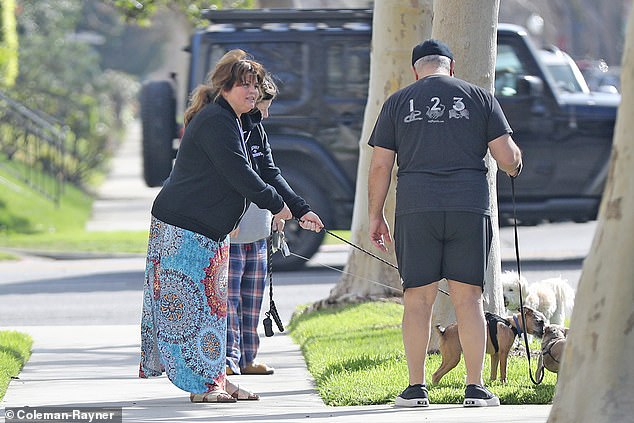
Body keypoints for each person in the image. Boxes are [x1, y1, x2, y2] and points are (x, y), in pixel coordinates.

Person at [139, 49, 323, 403]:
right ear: (225, 87)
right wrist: (276, 205)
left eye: (255, 86)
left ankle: (217, 379)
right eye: (244, 85)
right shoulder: (214, 122)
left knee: (214, 307)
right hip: (183, 227)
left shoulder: (242, 122)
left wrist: (300, 209)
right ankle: (202, 386)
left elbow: (267, 171)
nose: (252, 92)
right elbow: (239, 173)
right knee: (193, 310)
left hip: (210, 230)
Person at [367, 39, 522, 408]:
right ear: (450, 67)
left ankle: (416, 388)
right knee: (469, 299)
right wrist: (516, 163)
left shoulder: (397, 103)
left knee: (417, 300)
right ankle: (475, 388)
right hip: (468, 210)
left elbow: (380, 166)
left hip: (416, 210)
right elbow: (507, 158)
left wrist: (376, 215)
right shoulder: (480, 98)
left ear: (415, 70)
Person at [226, 74, 318, 376]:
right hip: (230, 232)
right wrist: (231, 218)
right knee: (228, 304)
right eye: (262, 106)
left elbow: (271, 173)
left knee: (252, 300)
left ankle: (247, 358)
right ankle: (227, 363)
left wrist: (298, 209)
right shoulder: (226, 129)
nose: (265, 113)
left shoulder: (257, 131)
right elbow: (233, 178)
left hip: (257, 230)